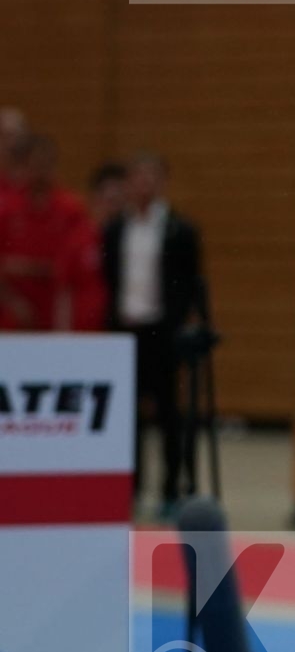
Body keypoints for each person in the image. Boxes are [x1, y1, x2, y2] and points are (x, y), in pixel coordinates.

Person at [101, 152, 205, 510]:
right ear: (129, 183)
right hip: (126, 330)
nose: (144, 184)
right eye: (138, 177)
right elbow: (109, 278)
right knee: (127, 415)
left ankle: (170, 488)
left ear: (162, 182)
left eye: (151, 177)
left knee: (168, 413)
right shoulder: (116, 229)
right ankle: (130, 488)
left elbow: (191, 283)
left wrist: (186, 323)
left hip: (163, 330)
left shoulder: (180, 230)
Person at [0, 135, 102, 332]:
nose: (41, 171)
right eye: (36, 164)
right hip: (13, 309)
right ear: (25, 166)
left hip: (55, 308)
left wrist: (27, 267)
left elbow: (76, 264)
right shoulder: (7, 208)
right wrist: (12, 301)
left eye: (46, 164)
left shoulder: (70, 208)